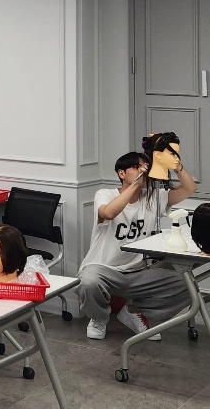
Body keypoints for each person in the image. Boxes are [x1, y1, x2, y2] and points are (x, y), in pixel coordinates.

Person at [78, 146, 196, 341]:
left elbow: (189, 189)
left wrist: (176, 166)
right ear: (121, 173)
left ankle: (134, 312)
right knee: (88, 281)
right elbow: (109, 213)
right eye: (137, 167)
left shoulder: (152, 197)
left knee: (187, 286)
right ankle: (98, 319)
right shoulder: (105, 194)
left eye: (145, 168)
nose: (143, 172)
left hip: (137, 271)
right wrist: (136, 184)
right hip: (103, 269)